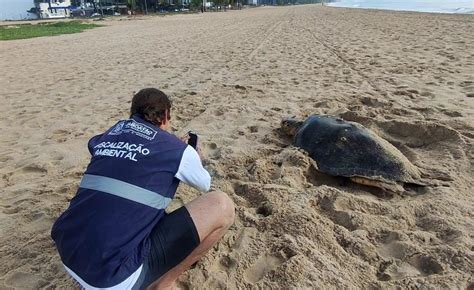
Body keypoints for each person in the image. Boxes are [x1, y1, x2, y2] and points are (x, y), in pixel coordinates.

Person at [51, 88, 235, 289]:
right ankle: (164, 284)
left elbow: (101, 148)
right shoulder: (177, 150)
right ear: (165, 116)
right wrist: (192, 155)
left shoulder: (110, 134)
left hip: (68, 253)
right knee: (222, 205)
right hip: (112, 277)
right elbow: (204, 184)